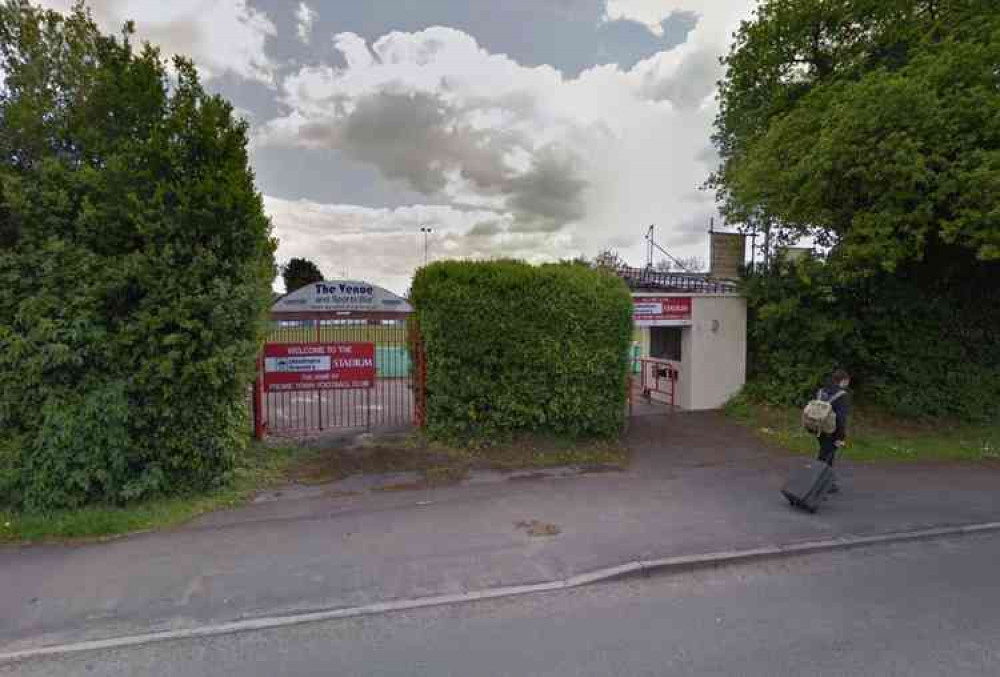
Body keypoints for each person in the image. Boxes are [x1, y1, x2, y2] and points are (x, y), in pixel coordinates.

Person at [817, 369, 851, 492]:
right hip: (832, 431)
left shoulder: (822, 391)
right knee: (827, 456)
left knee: (824, 453)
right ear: (844, 380)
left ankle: (825, 481)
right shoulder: (842, 395)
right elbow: (841, 419)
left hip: (818, 428)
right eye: (847, 381)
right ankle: (820, 483)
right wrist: (840, 438)